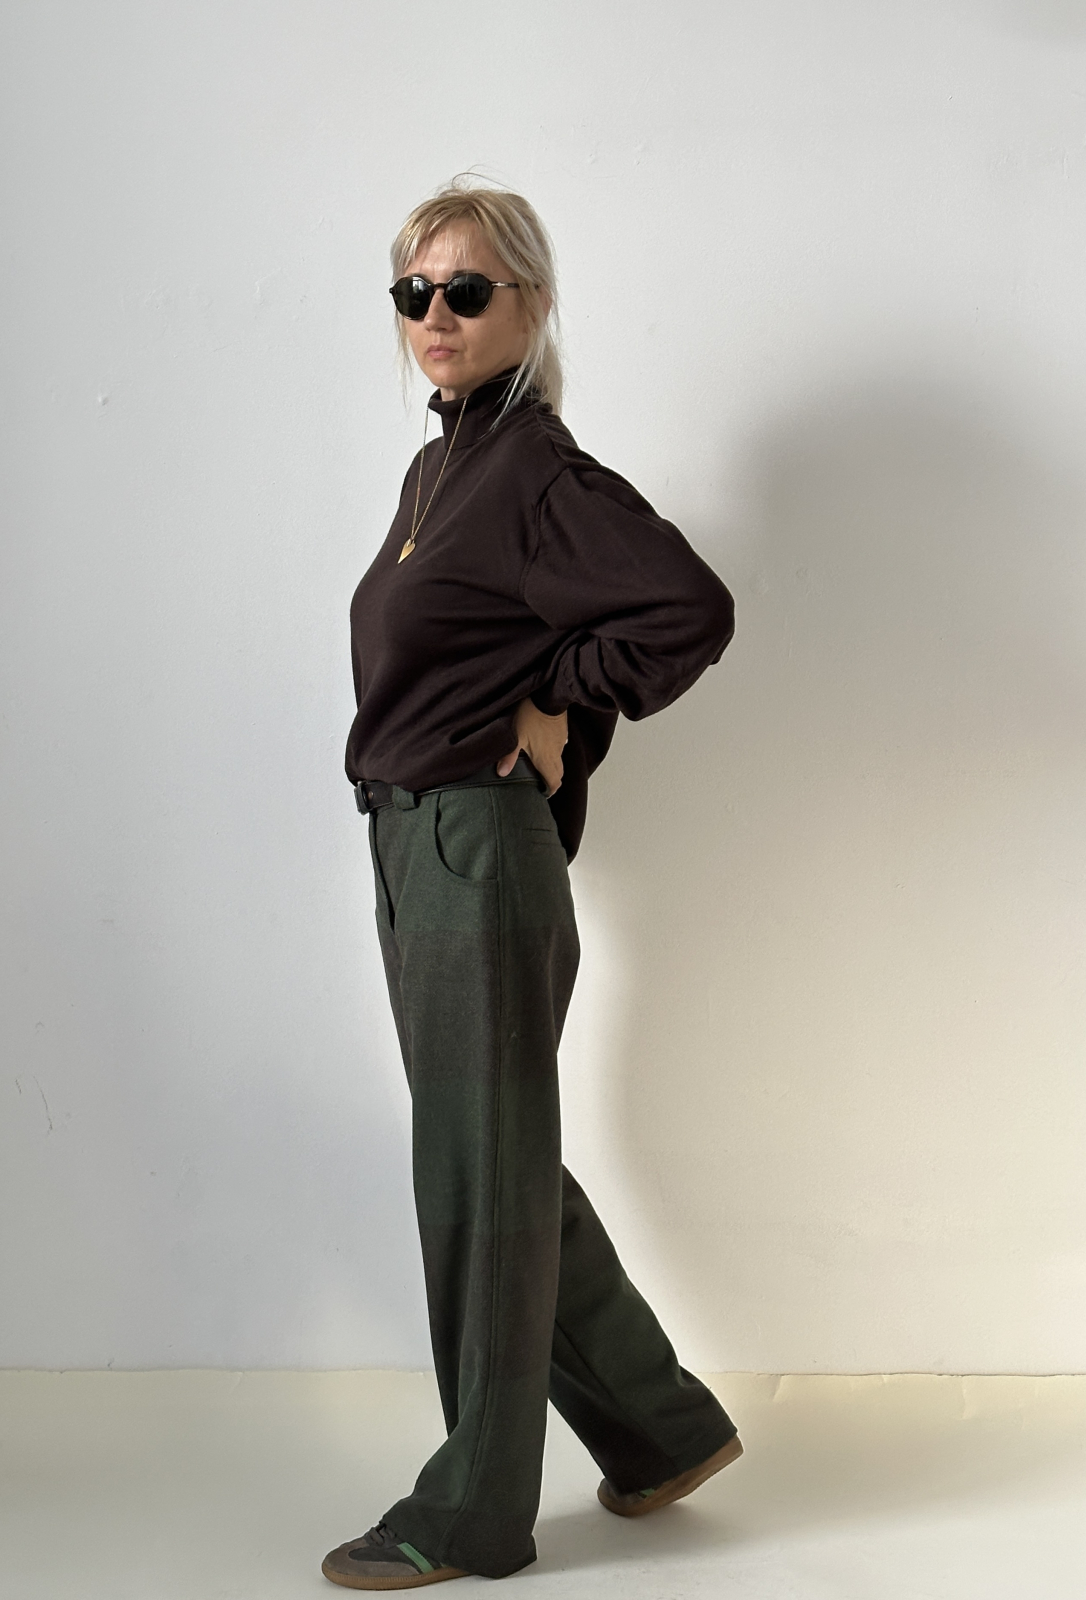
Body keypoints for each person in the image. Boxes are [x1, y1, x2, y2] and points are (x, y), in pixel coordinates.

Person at [323, 179, 740, 1590]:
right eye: (413, 292)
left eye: (467, 289)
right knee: (492, 1157)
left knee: (479, 1170)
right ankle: (662, 1430)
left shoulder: (535, 472)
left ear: (533, 303)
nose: (434, 315)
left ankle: (472, 1513)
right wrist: (544, 690)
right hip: (417, 841)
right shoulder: (443, 465)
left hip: (476, 847)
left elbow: (686, 608)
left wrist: (563, 702)